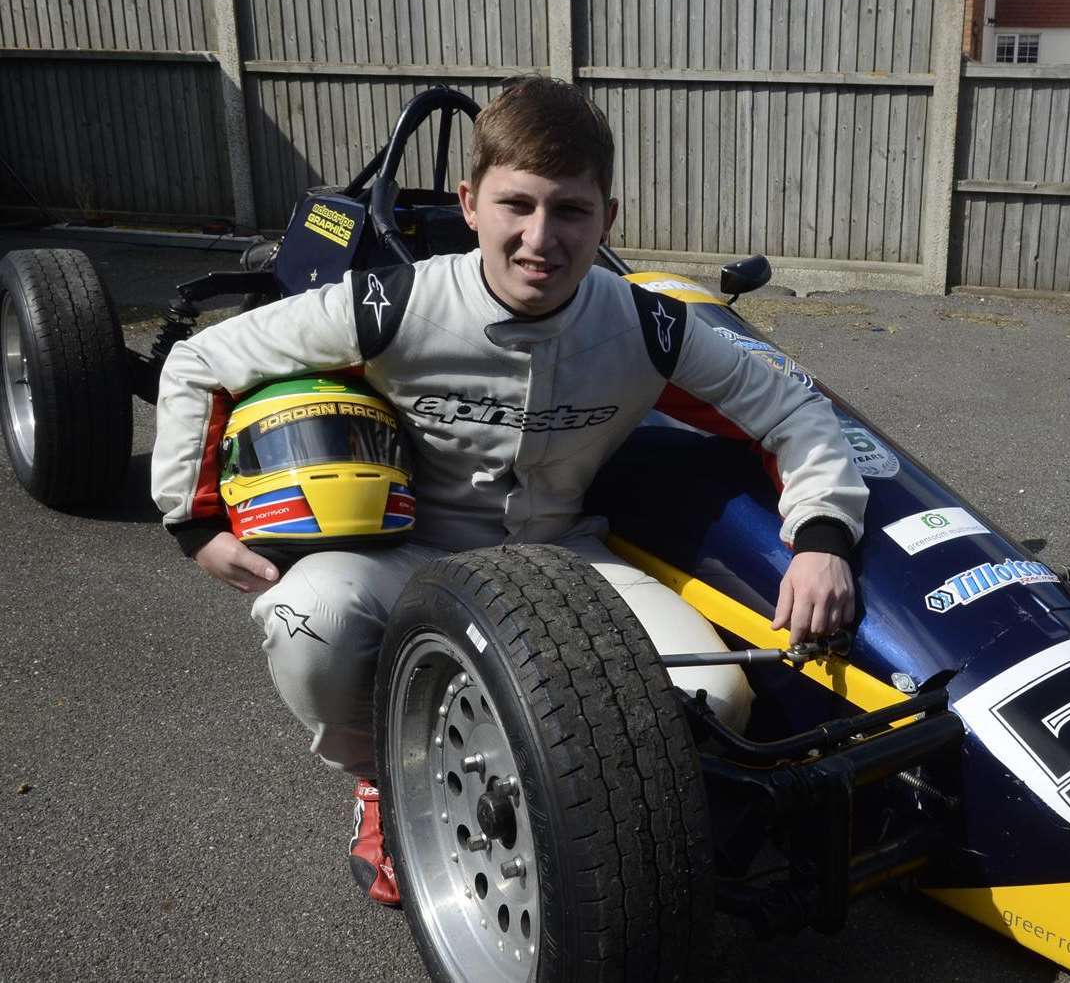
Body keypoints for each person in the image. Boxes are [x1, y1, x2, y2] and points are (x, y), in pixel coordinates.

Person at [150, 76, 867, 907]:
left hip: (564, 555)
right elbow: (199, 360)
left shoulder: (646, 325)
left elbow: (795, 407)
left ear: (609, 217)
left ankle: (590, 822)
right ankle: (386, 781)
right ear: (469, 201)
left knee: (717, 691)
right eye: (515, 205)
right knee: (305, 616)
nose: (540, 238)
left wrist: (821, 539)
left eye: (570, 211)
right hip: (408, 556)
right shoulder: (391, 304)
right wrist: (194, 521)